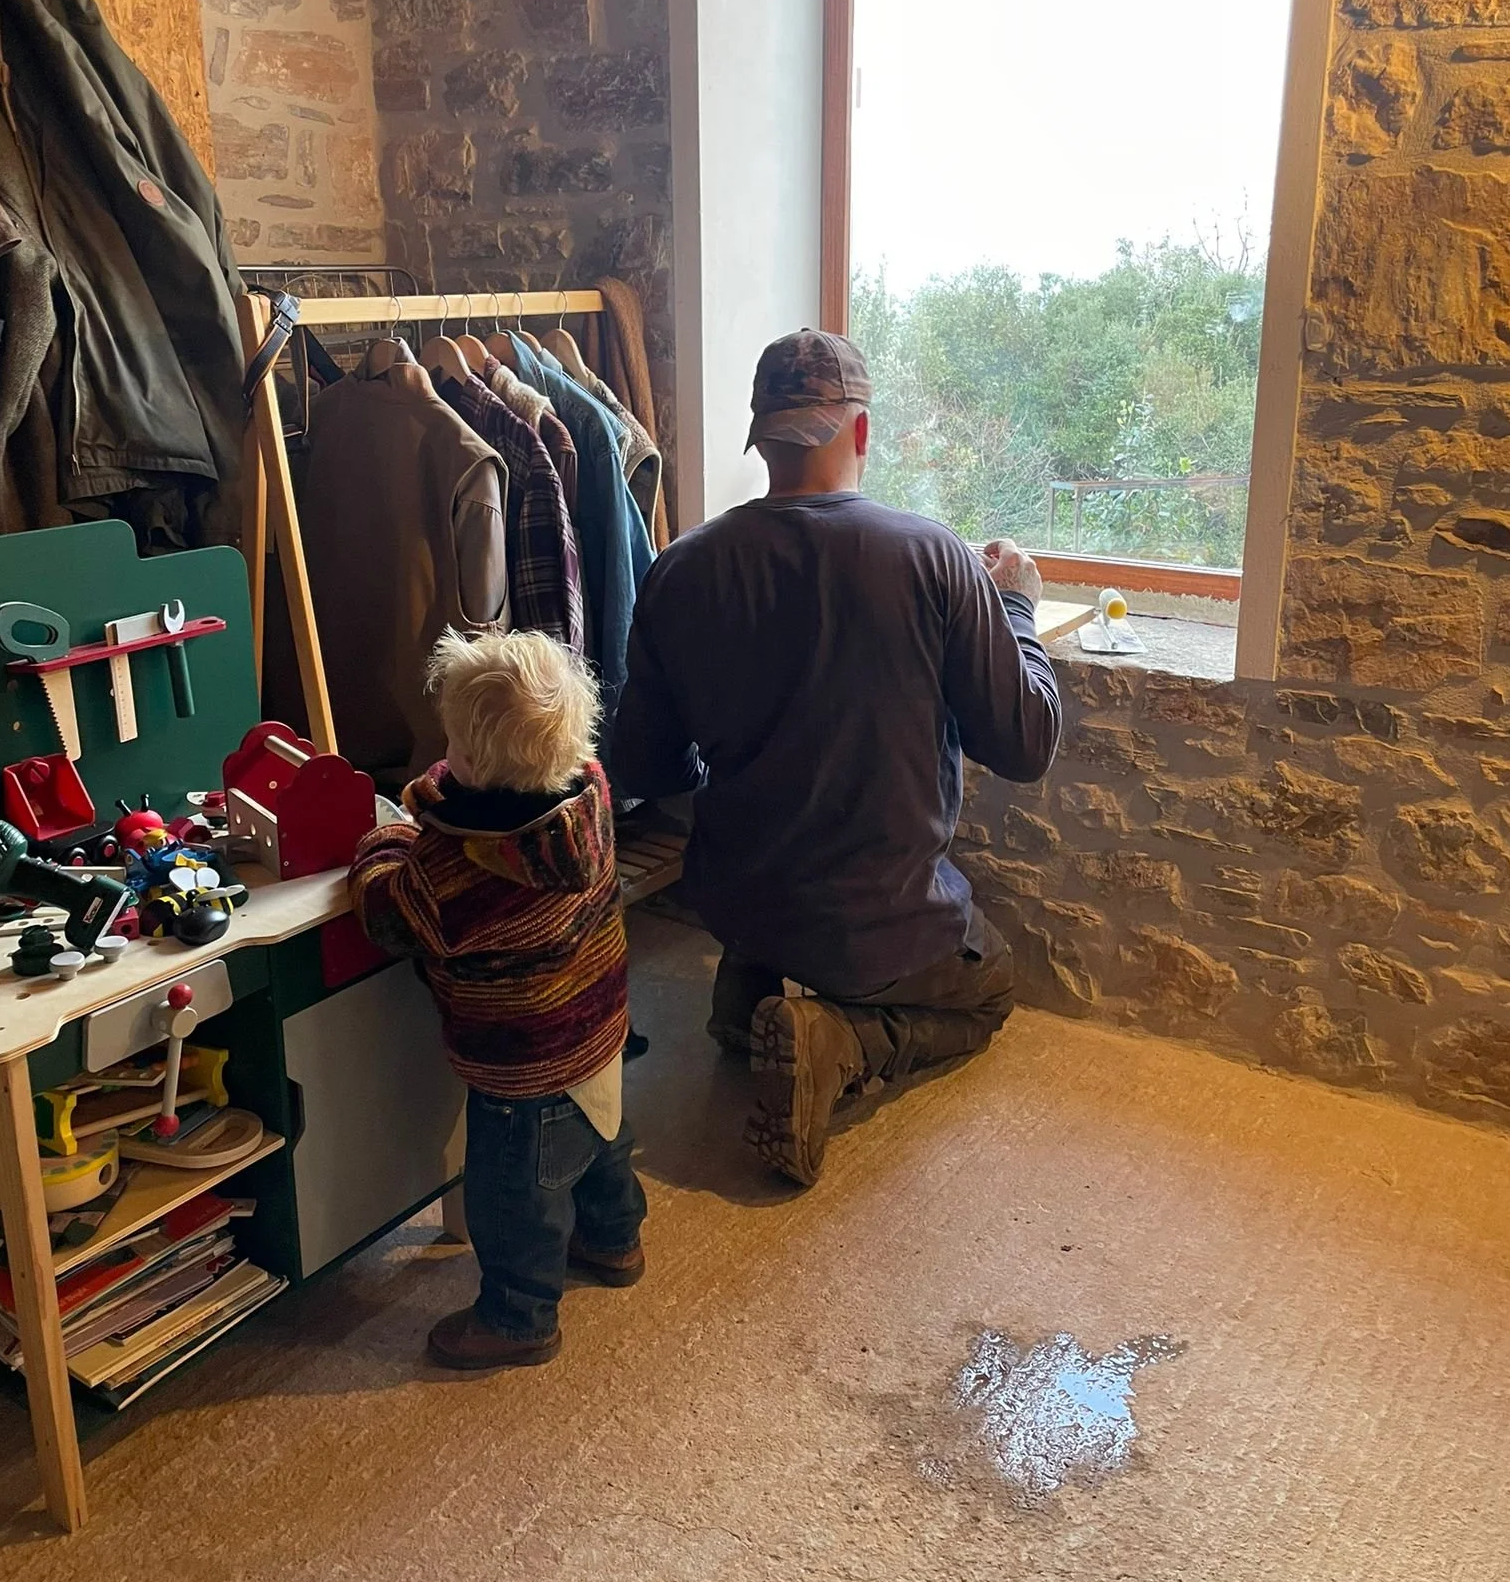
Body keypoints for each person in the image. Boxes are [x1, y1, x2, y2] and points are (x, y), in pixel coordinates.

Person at [611, 329, 1061, 1187]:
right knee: (991, 985)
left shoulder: (679, 568)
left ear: (762, 437)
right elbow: (1026, 743)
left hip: (736, 904)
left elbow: (647, 766)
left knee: (777, 918)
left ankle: (752, 997)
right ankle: (843, 1039)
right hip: (881, 919)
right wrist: (1014, 608)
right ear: (860, 431)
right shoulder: (933, 556)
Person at [350, 628, 646, 1370]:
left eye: (452, 742)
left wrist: (383, 840)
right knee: (604, 1138)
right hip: (597, 1022)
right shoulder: (590, 793)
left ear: (474, 764)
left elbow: (389, 913)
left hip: (522, 1069)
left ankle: (519, 1317)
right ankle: (614, 1241)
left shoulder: (457, 872)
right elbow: (463, 796)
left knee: (514, 1196)